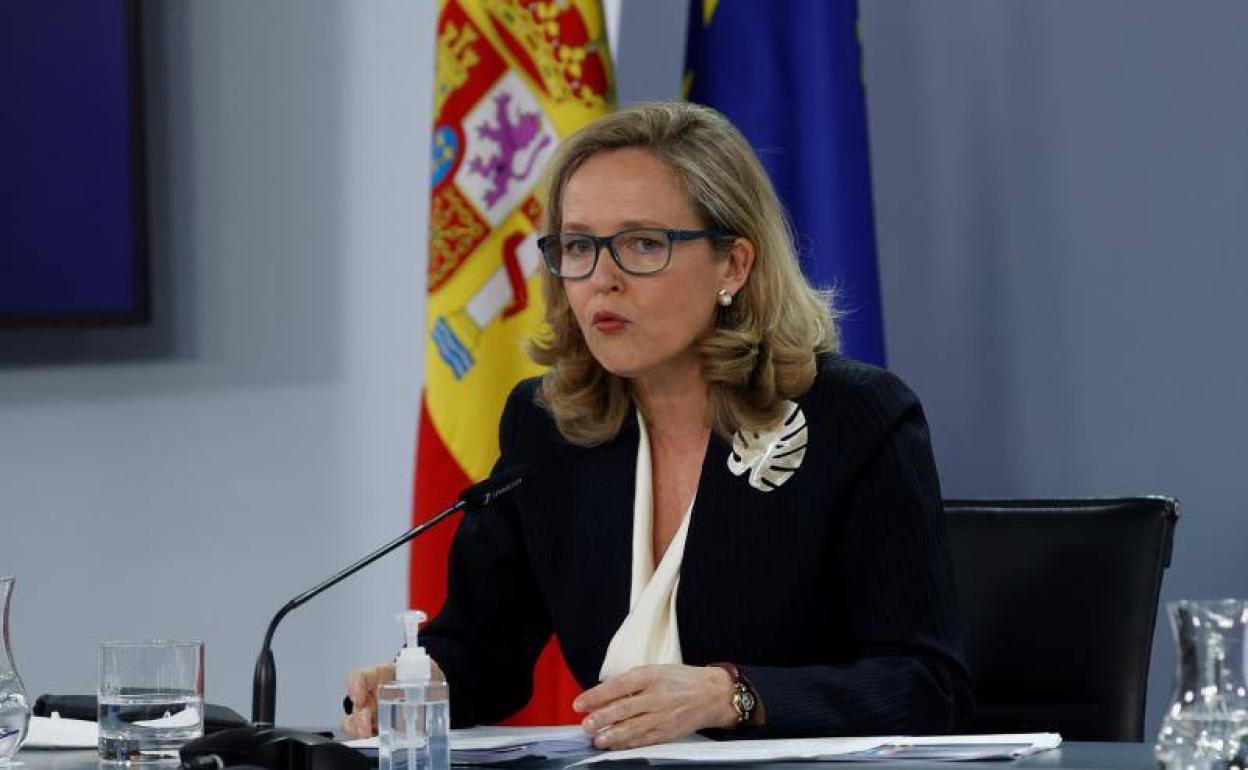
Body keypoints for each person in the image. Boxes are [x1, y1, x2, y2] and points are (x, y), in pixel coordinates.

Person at [342, 102, 973, 748]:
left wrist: (732, 695)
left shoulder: (855, 419)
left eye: (643, 243)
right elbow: (483, 653)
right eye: (579, 246)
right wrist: (416, 682)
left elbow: (928, 687)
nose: (601, 279)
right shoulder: (549, 429)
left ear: (733, 265)